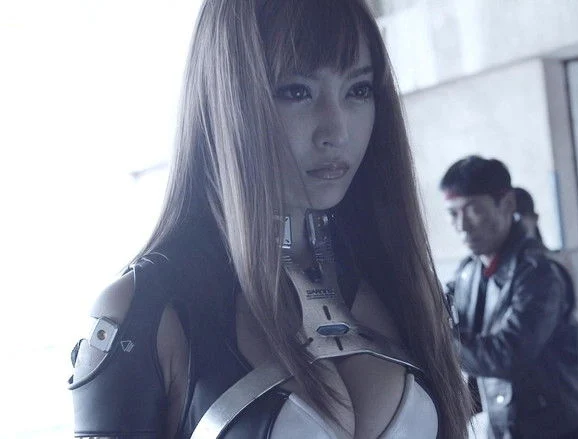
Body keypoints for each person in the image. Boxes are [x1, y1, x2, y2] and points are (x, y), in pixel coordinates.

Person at [67, 1, 472, 437]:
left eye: (358, 90)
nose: (336, 132)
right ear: (226, 100)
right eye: (296, 92)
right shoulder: (141, 313)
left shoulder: (399, 280)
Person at [441, 156, 578, 439]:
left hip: (560, 428)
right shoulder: (468, 272)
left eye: (473, 210)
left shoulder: (539, 272)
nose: (462, 225)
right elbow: (448, 320)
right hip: (506, 425)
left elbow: (508, 355)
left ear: (507, 204)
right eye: (453, 214)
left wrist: (438, 343)